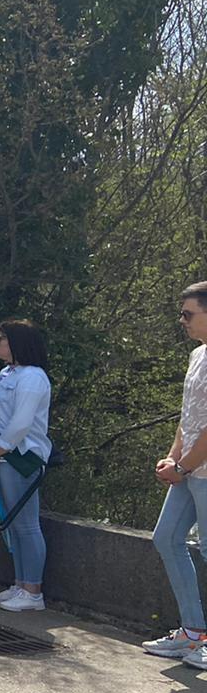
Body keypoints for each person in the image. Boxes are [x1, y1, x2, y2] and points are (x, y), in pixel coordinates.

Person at [143, 282, 207, 669]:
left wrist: (183, 466)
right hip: (189, 469)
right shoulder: (198, 355)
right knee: (167, 538)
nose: (181, 320)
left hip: (201, 470)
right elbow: (189, 416)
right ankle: (193, 631)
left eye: (188, 313)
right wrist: (173, 458)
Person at [0, 319, 53, 612]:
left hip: (21, 456)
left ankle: (33, 590)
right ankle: (21, 583)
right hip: (2, 454)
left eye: (2, 338)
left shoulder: (33, 377)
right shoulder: (7, 374)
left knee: (26, 524)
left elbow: (21, 423)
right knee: (14, 523)